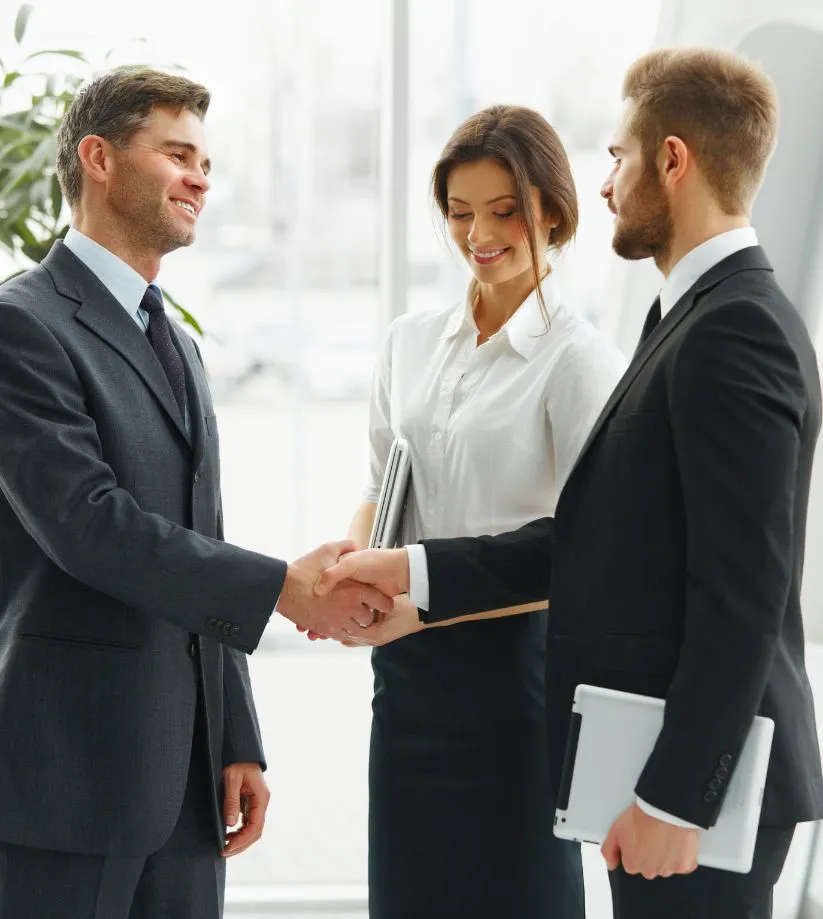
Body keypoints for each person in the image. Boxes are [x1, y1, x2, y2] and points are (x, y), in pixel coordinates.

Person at [317, 48, 823, 919]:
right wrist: (411, 571)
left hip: (690, 786)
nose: (606, 184)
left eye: (617, 157)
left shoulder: (734, 329)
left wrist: (676, 797)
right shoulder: (690, 317)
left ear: (672, 159)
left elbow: (742, 593)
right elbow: (597, 538)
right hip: (649, 767)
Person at [0, 67, 390, 919]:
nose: (201, 178)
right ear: (98, 158)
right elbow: (89, 525)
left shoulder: (175, 341)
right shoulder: (21, 324)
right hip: (70, 780)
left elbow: (197, 533)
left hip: (184, 784)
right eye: (177, 154)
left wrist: (237, 736)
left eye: (206, 160)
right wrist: (279, 586)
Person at [342, 105, 626, 919]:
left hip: (514, 676)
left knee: (518, 893)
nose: (478, 234)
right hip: (405, 675)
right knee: (407, 894)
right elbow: (376, 484)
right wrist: (353, 575)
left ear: (552, 212)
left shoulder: (579, 361)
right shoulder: (407, 340)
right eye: (460, 212)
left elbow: (585, 551)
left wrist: (411, 607)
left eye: (502, 211)